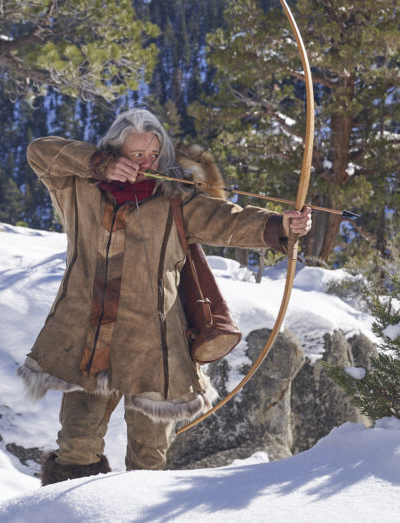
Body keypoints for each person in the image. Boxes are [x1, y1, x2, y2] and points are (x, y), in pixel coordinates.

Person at [16, 108, 312, 485]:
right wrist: (97, 165)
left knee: (148, 460)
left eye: (153, 156)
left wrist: (280, 226)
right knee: (75, 449)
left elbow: (228, 219)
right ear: (113, 149)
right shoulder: (77, 185)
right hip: (87, 340)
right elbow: (39, 151)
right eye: (136, 155)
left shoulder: (174, 199)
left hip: (155, 349)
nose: (145, 163)